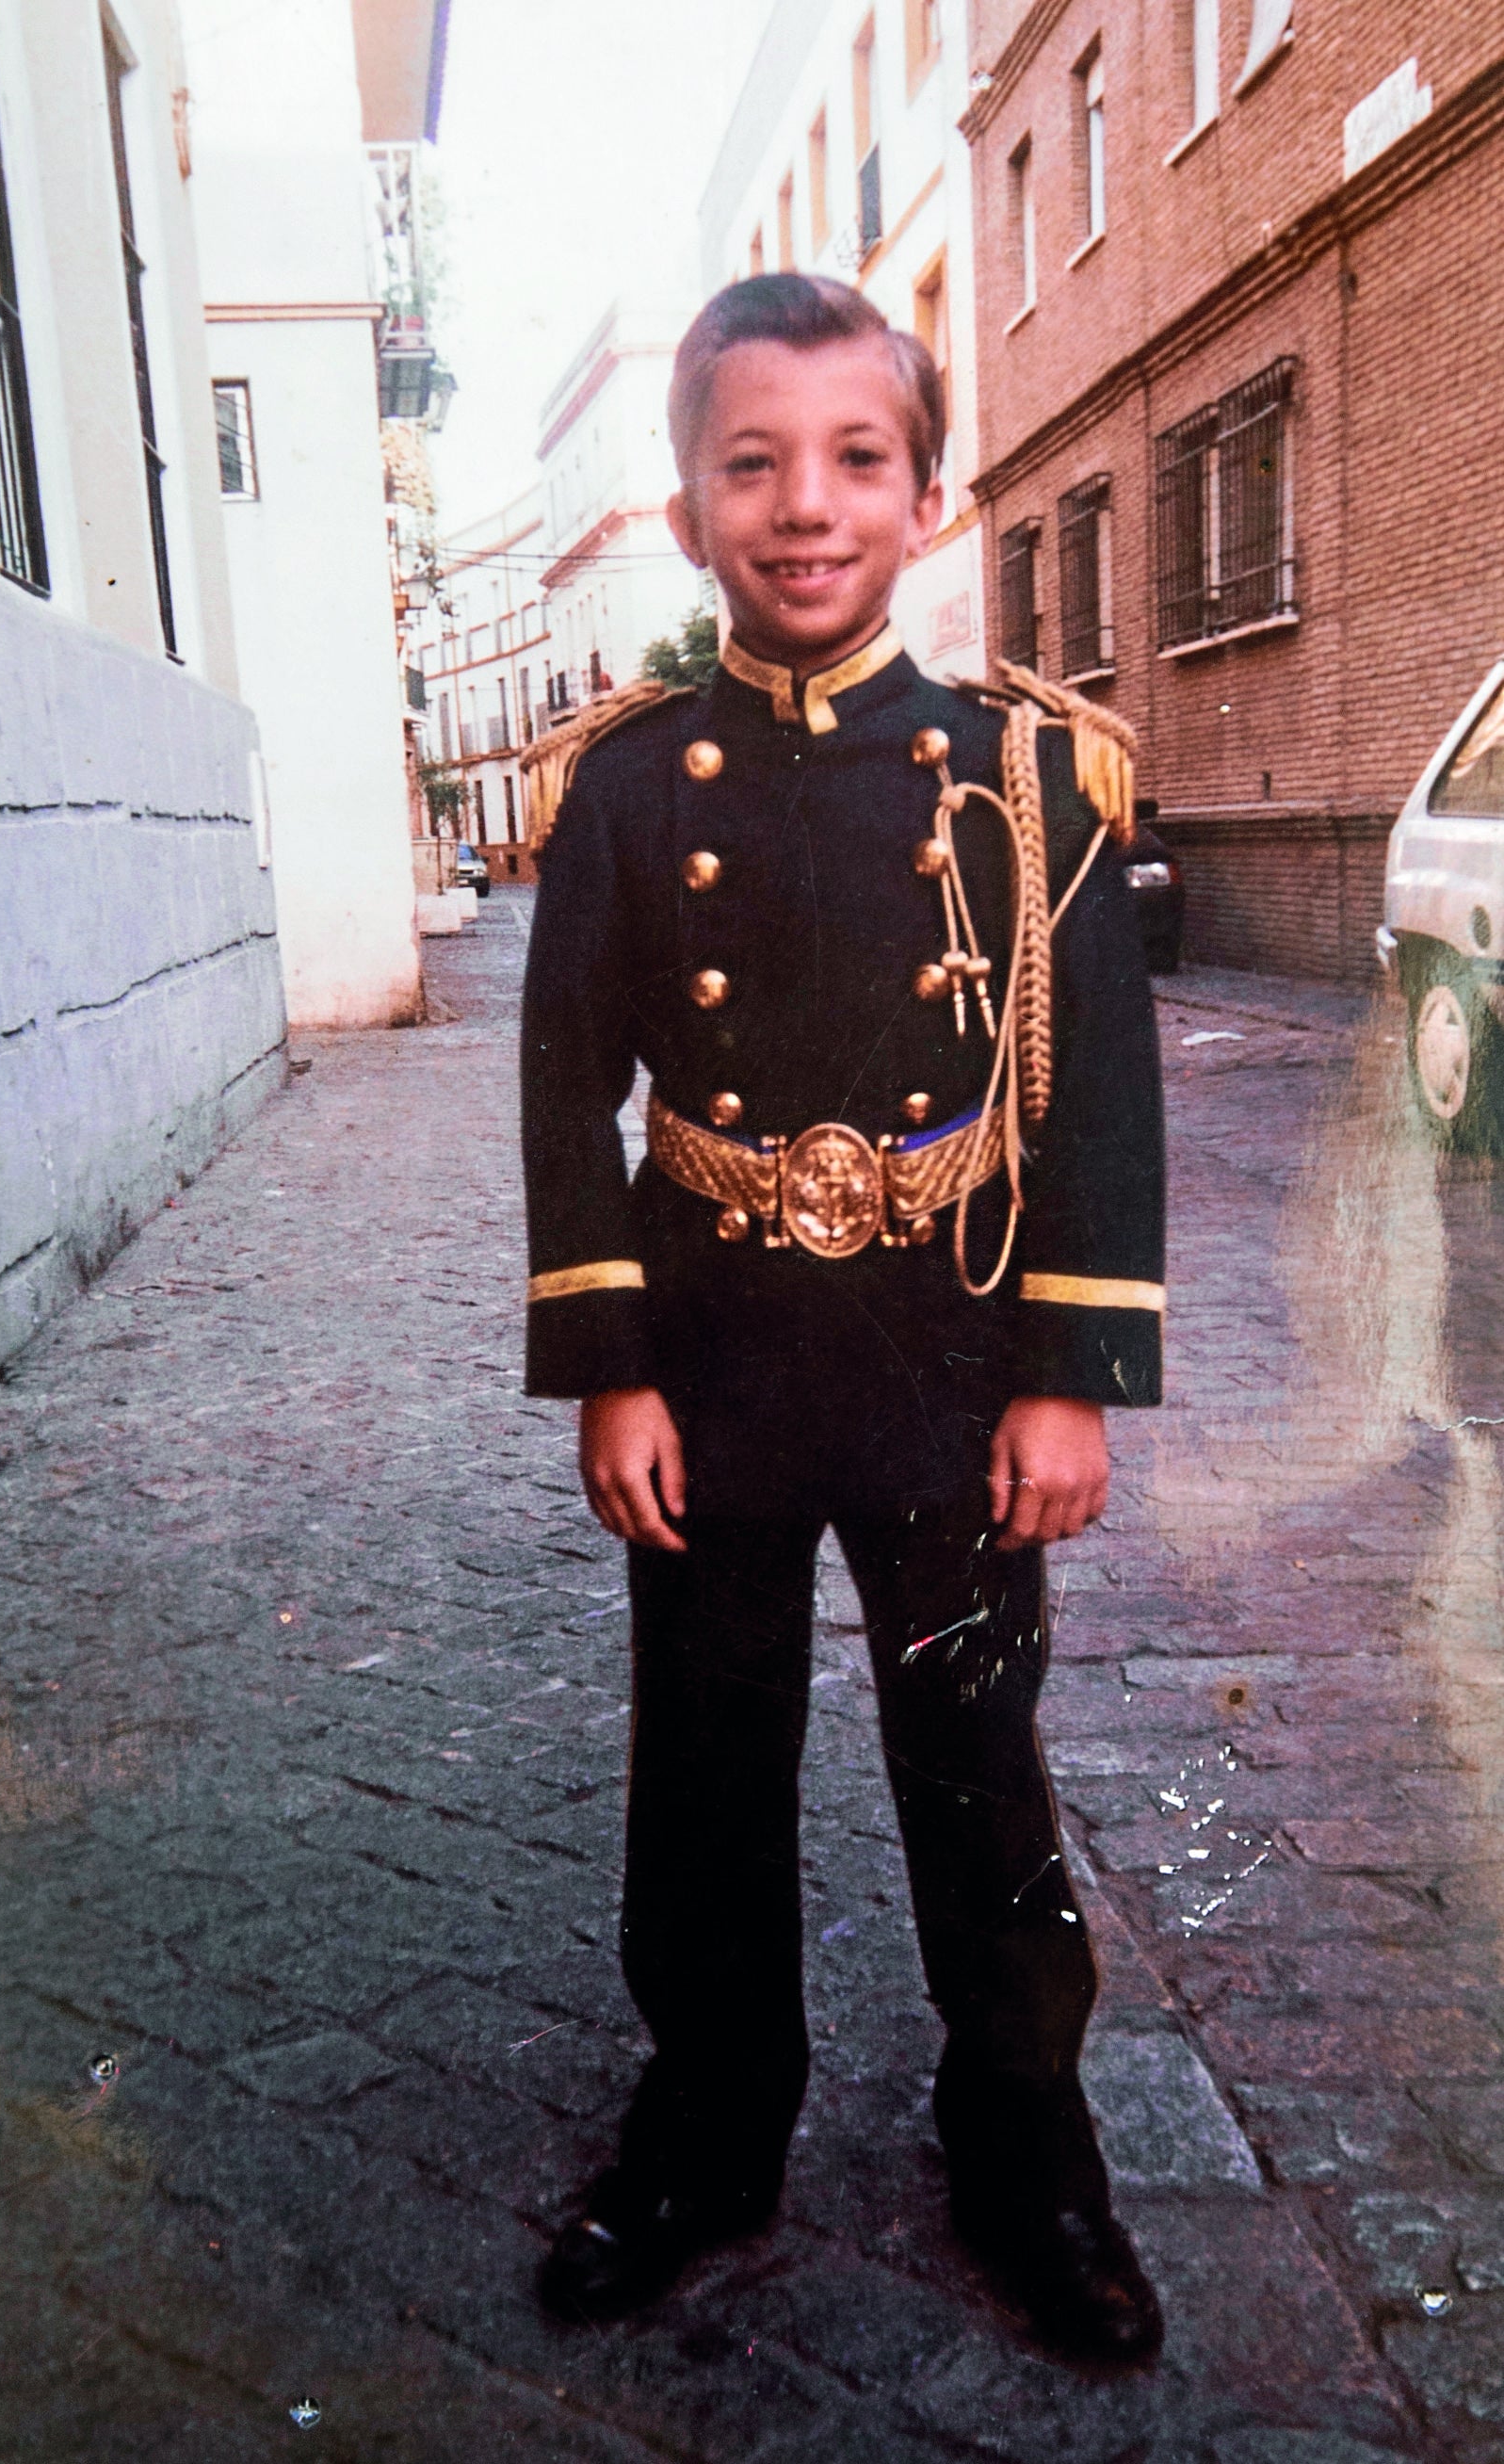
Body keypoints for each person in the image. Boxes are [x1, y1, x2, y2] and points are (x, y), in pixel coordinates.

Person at [517, 273, 1166, 2365]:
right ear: (694, 501)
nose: (806, 507)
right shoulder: (624, 786)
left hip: (945, 1335)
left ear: (925, 492)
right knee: (705, 1757)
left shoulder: (1023, 773)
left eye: (855, 461)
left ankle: (1023, 2137)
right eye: (753, 464)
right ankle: (708, 2126)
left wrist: (1070, 1374)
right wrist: (608, 1361)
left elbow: (1094, 1097)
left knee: (972, 1746)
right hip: (705, 1342)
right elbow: (562, 1091)